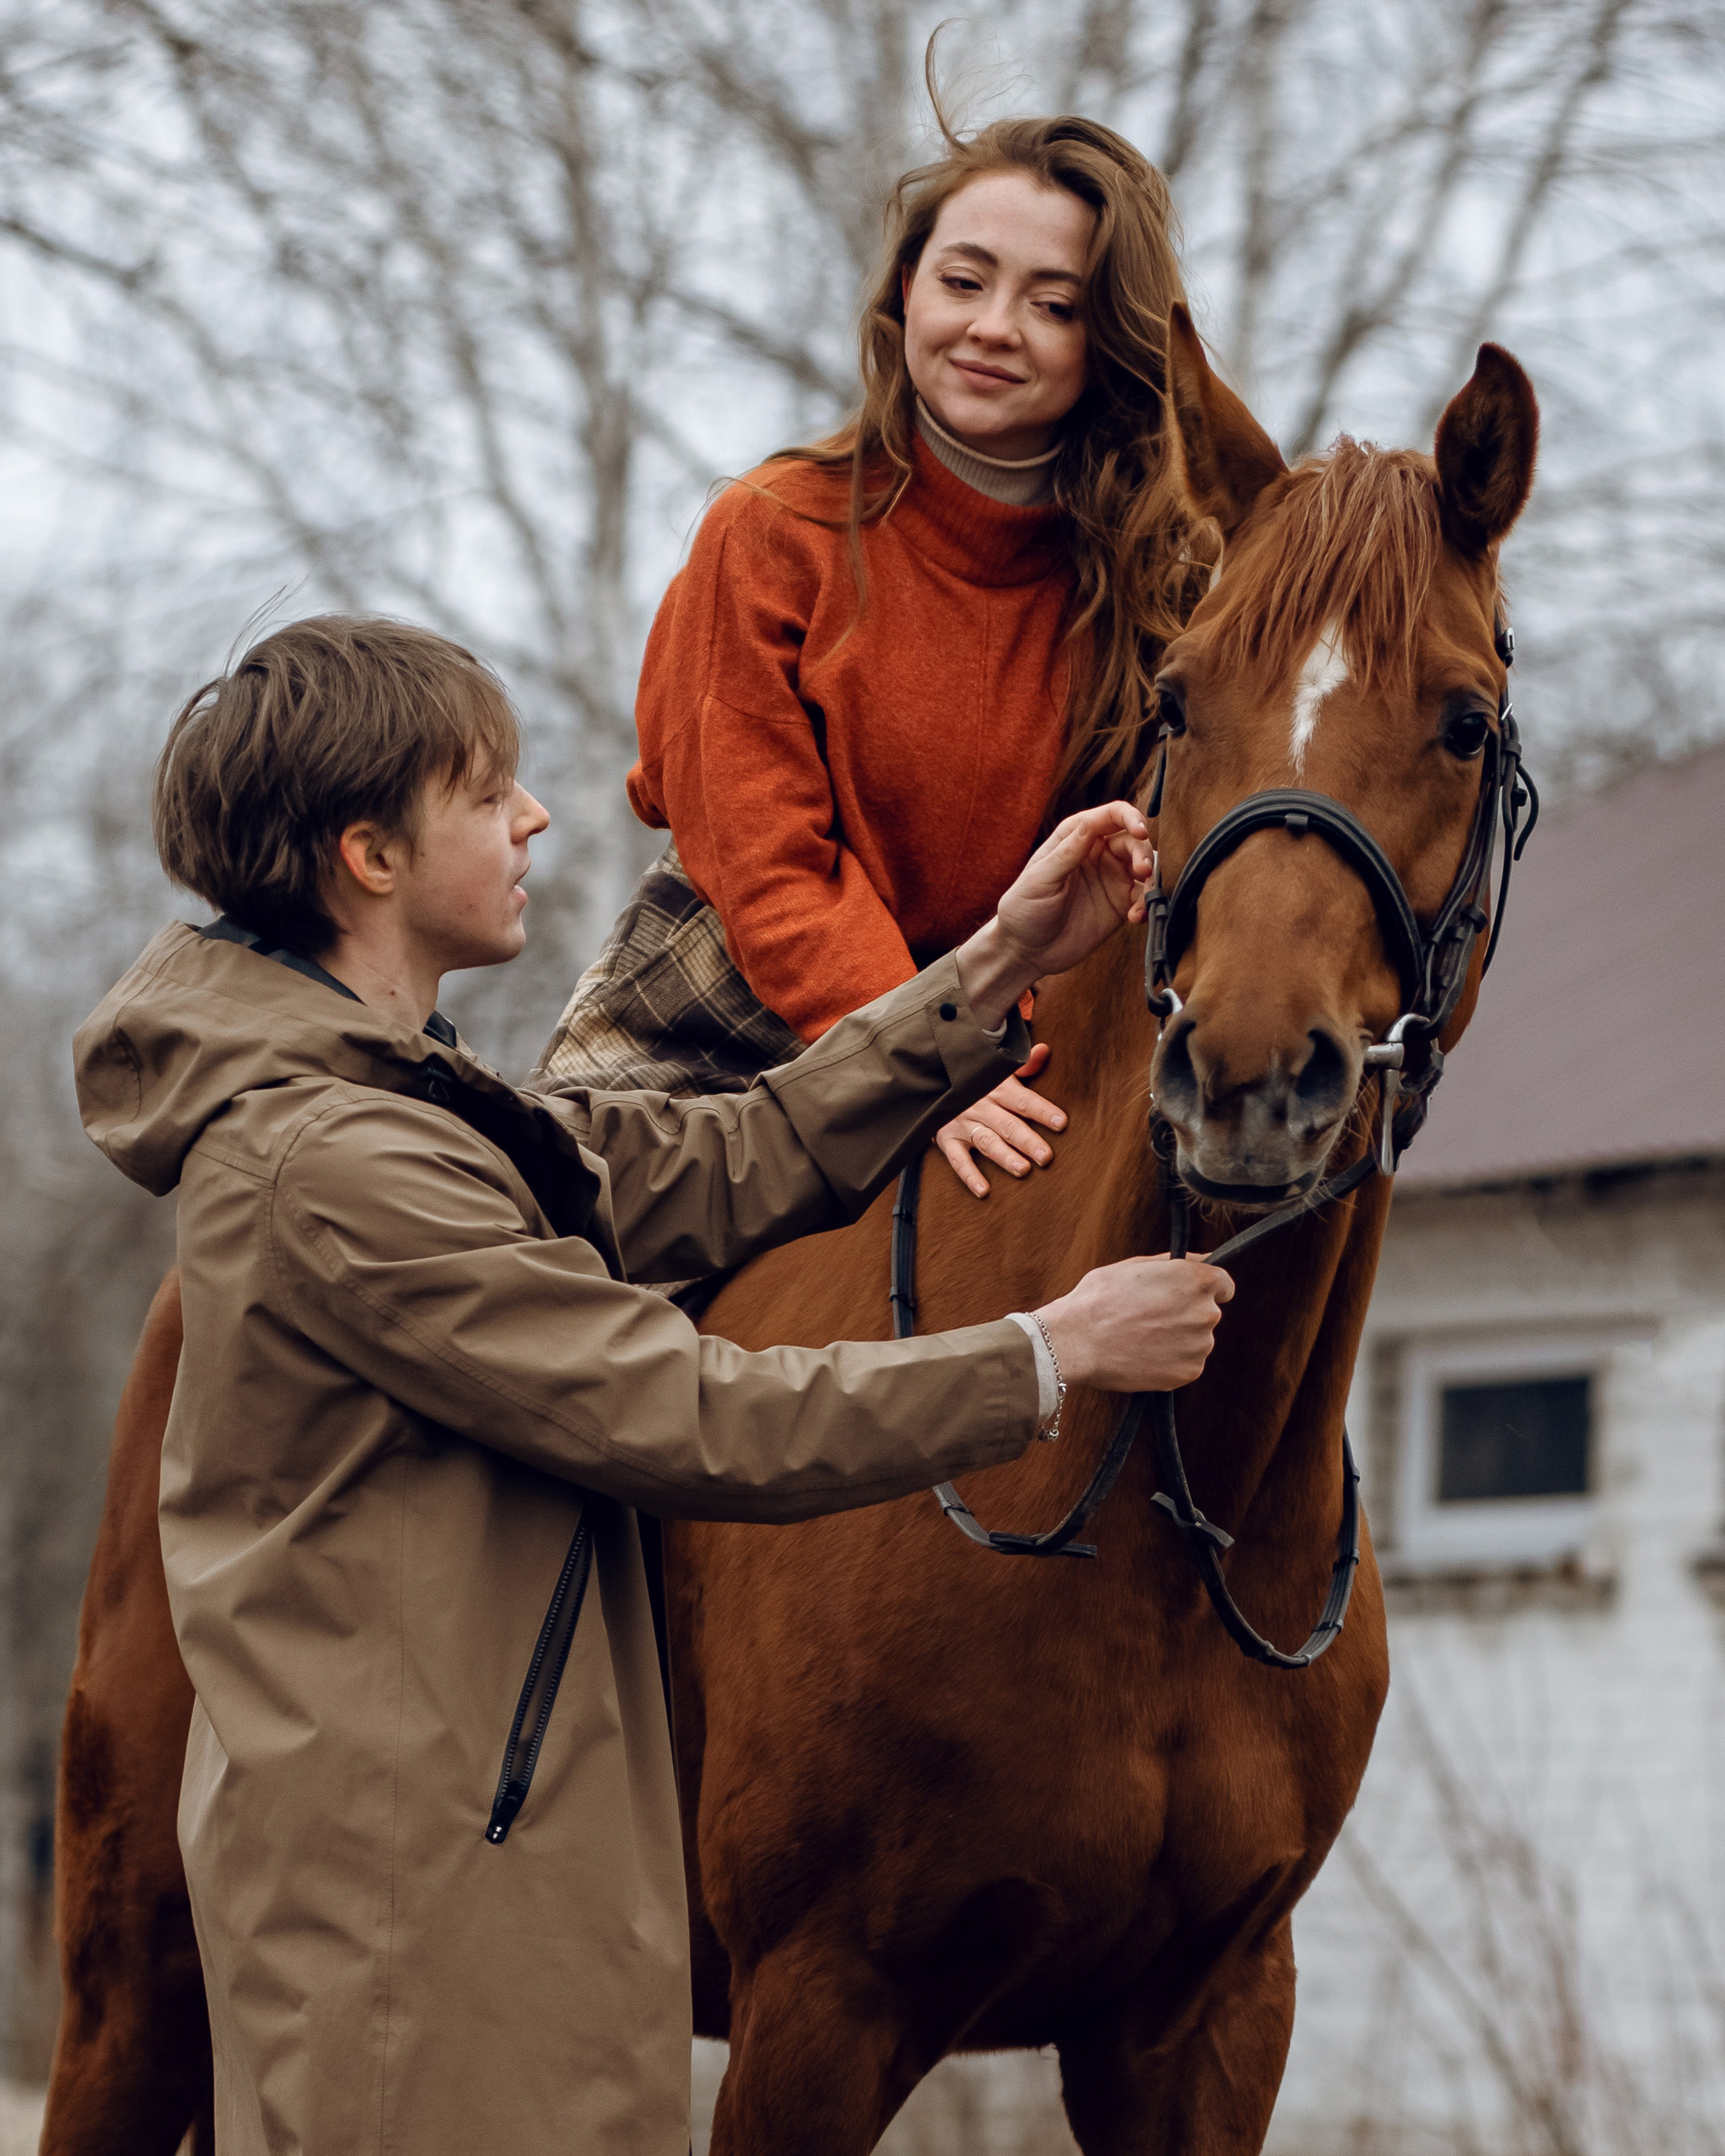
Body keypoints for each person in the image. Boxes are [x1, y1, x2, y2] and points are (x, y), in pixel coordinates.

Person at [73, 615, 1232, 2156]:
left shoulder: (410, 1114)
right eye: (487, 792)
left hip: (485, 1885)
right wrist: (1049, 1352)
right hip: (414, 1924)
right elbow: (692, 1414)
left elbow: (724, 1154)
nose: (535, 818)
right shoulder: (335, 1165)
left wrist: (996, 962)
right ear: (368, 855)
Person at [536, 106, 1209, 1201]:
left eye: (1054, 305)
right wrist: (918, 1059)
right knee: (539, 1293)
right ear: (905, 290)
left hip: (1022, 1031)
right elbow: (764, 861)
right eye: (964, 282)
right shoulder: (771, 529)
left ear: (1107, 344)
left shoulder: (1163, 586)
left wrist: (982, 1038)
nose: (995, 327)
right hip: (734, 1013)